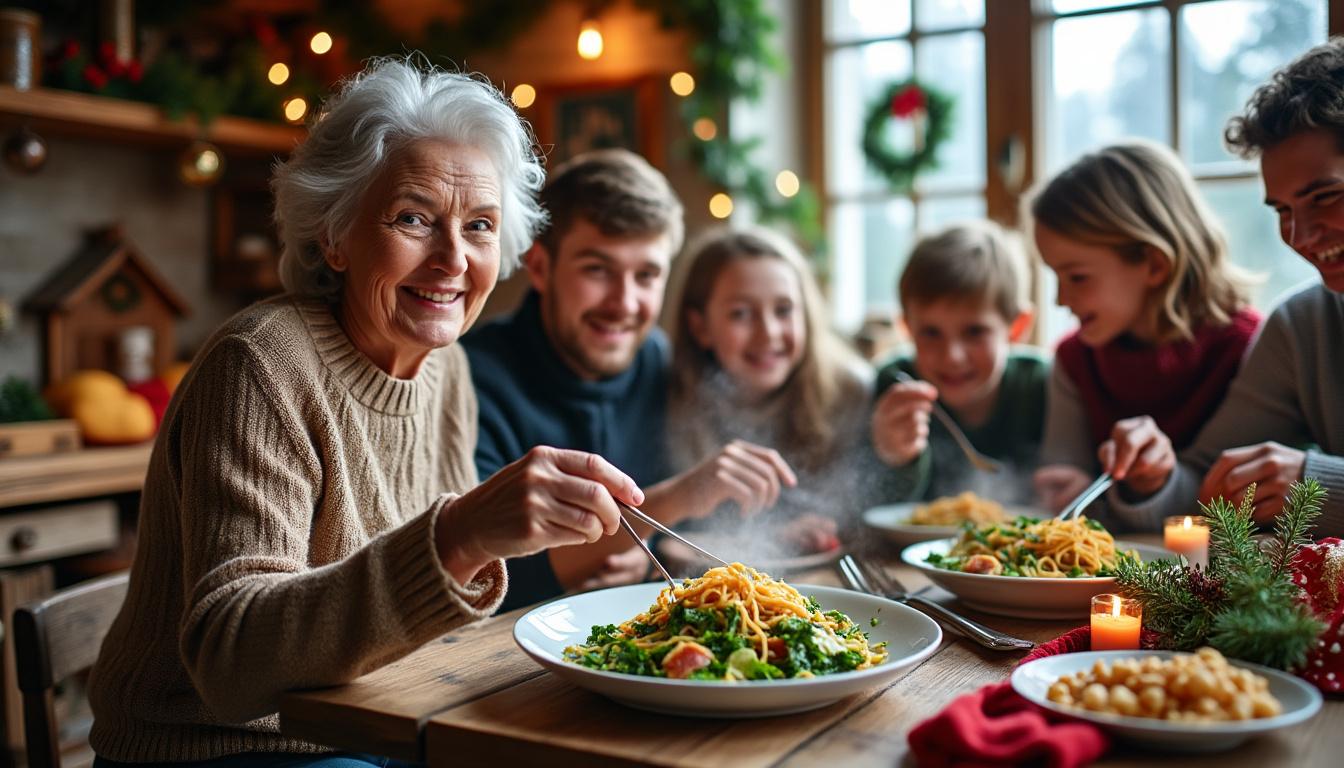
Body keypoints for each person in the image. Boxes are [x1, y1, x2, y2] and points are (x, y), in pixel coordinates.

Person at [86, 59, 645, 767]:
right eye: (413, 218)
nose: (452, 259)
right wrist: (462, 535)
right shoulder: (260, 363)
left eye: (478, 226)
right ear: (336, 234)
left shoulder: (449, 370)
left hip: (384, 721)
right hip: (222, 747)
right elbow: (231, 668)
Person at [462, 150, 793, 611]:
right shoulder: (471, 378)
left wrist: (643, 554)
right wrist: (675, 499)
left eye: (647, 275)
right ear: (539, 267)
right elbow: (476, 575)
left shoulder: (661, 360)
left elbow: (665, 542)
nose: (624, 302)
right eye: (597, 270)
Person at [1104, 38, 1344, 533]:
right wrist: (1155, 475)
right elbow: (1201, 493)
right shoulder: (1301, 327)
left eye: (1324, 197)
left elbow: (1313, 486)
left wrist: (1320, 487)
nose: (1298, 236)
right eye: (1282, 210)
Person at [1027, 140, 1261, 519]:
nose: (1059, 299)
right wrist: (1067, 487)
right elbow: (1068, 487)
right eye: (1055, 276)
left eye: (1077, 277)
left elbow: (1234, 504)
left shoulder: (1249, 350)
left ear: (1154, 265)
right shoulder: (1074, 361)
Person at [665, 226, 873, 550]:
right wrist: (762, 540)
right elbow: (662, 538)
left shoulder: (851, 394)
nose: (768, 333)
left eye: (784, 310)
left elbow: (867, 512)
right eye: (741, 314)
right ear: (700, 327)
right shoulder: (670, 401)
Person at [871, 221, 1048, 505]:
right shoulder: (894, 384)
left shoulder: (1043, 383)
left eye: (975, 332)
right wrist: (896, 459)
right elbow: (876, 506)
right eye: (930, 333)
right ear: (906, 328)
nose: (952, 355)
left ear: (1017, 327)